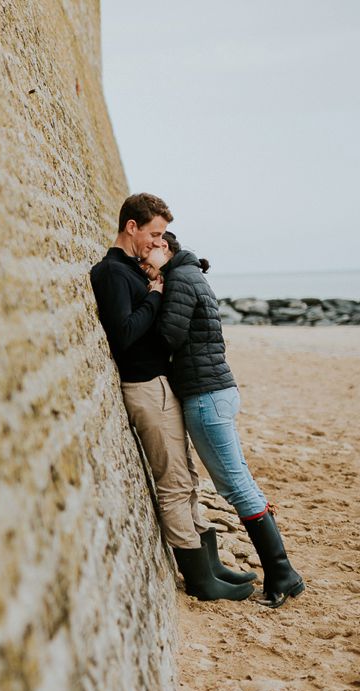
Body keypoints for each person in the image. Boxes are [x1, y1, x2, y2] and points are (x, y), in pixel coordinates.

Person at [89, 194, 254, 602]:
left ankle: (211, 565)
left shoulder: (133, 269)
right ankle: (199, 578)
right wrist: (158, 295)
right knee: (175, 483)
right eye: (154, 233)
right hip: (145, 387)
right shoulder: (111, 272)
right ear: (132, 227)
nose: (159, 242)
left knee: (187, 478)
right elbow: (124, 334)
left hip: (161, 385)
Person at [150, 231, 305, 607]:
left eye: (150, 250)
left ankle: (283, 573)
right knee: (240, 483)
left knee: (236, 486)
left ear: (165, 248)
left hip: (206, 397)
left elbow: (168, 335)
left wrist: (151, 298)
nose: (145, 259)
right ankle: (282, 571)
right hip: (215, 392)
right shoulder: (190, 276)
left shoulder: (181, 280)